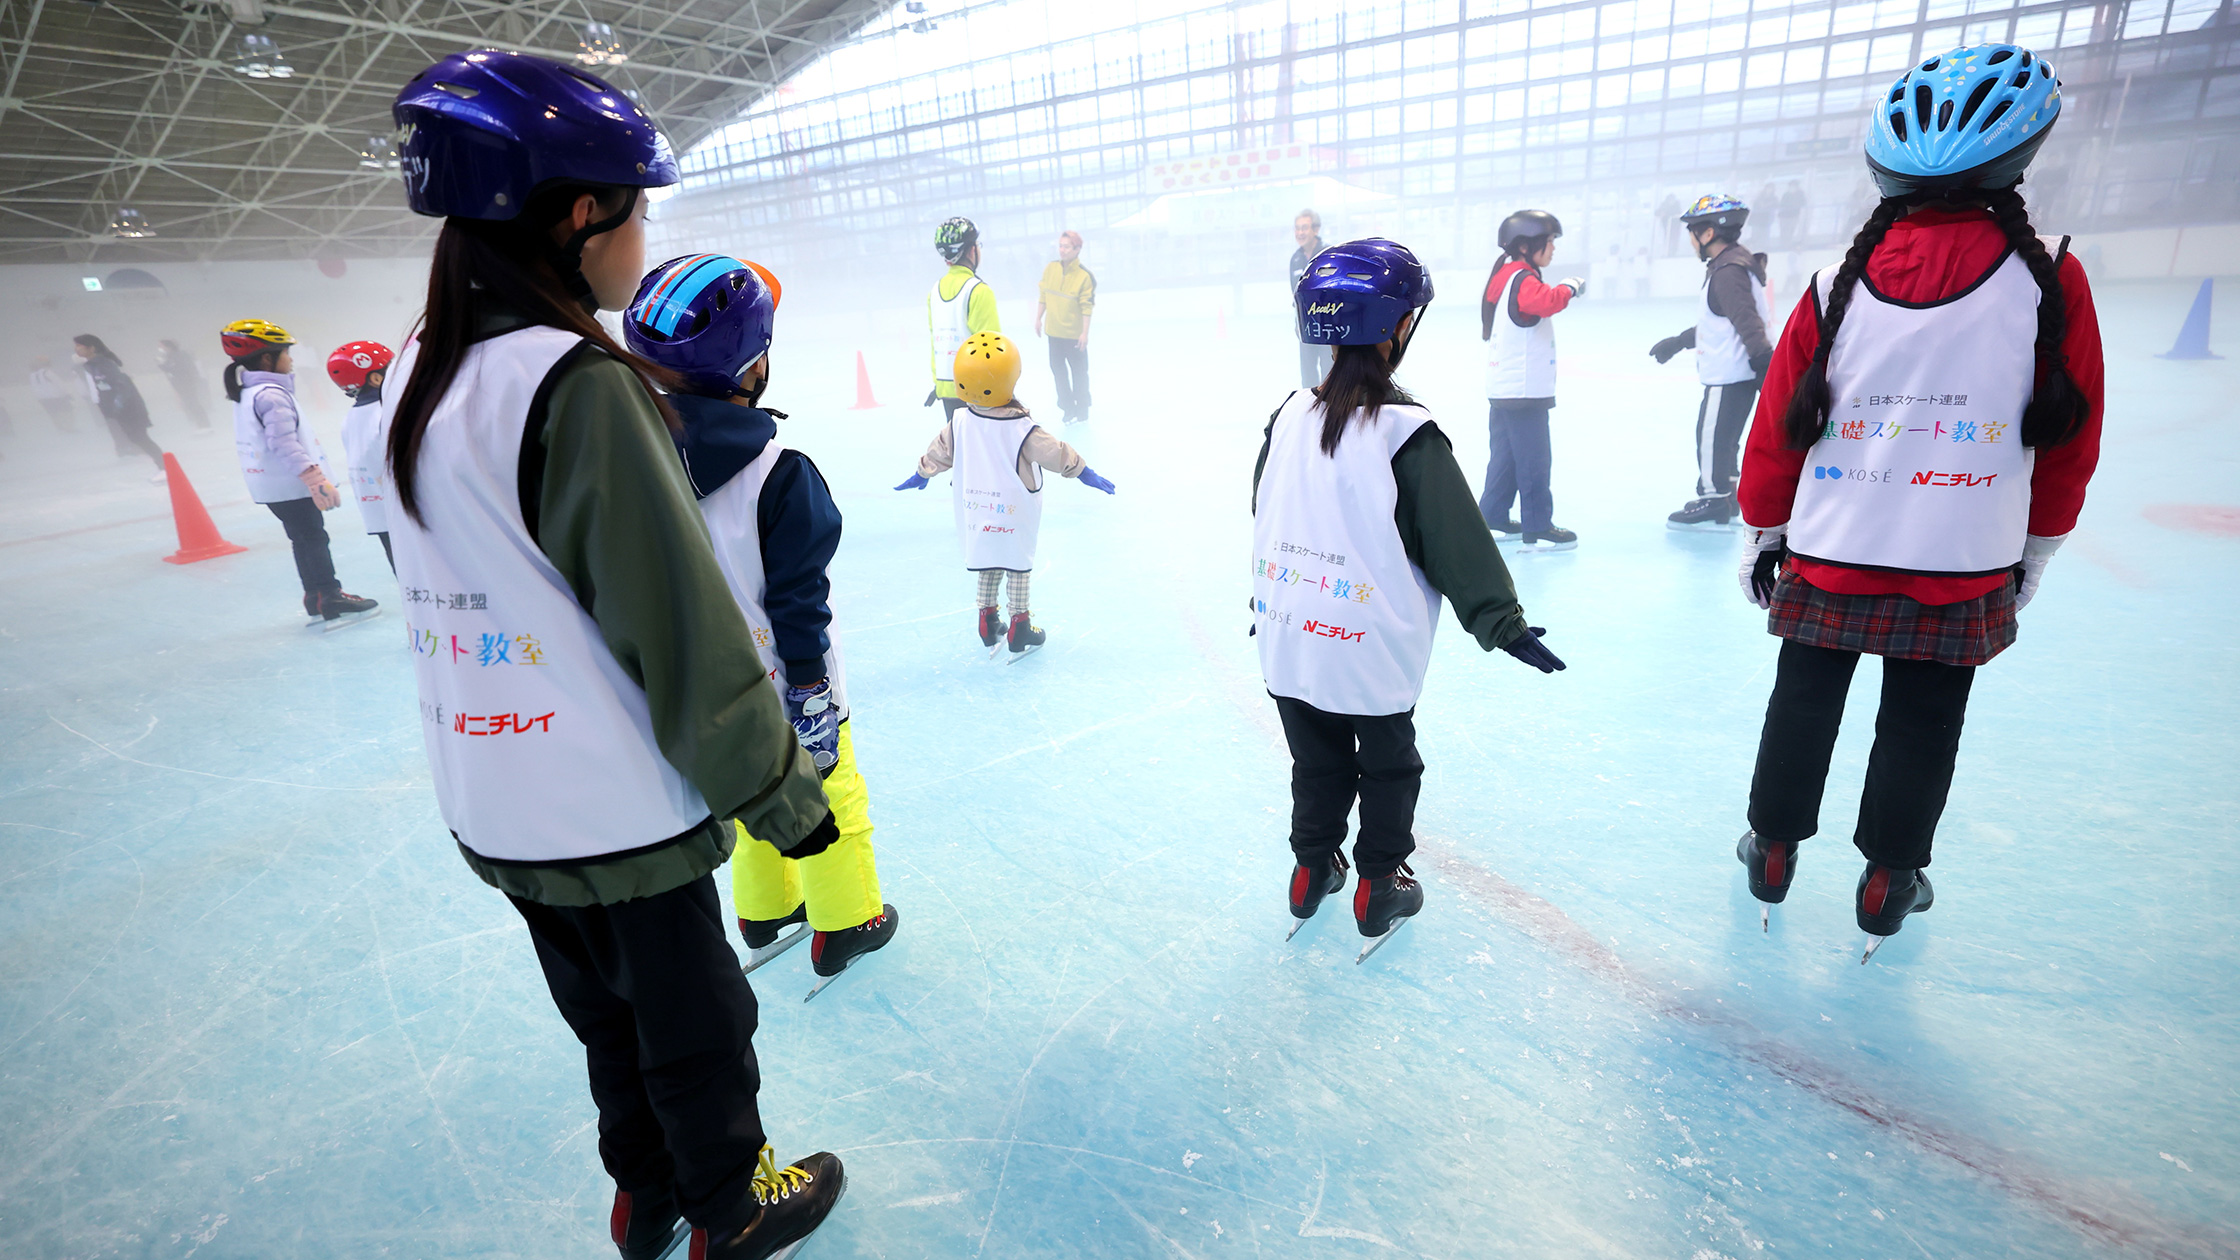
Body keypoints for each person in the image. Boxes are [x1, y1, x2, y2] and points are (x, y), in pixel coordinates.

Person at [387, 51, 848, 1260]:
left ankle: (642, 1195)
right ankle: (730, 1207)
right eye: (637, 206)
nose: (643, 232)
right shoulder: (574, 384)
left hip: (492, 788)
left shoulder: (414, 374)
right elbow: (680, 627)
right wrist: (781, 796)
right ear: (580, 214)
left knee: (603, 1019)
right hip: (605, 801)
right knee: (698, 1022)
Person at [1732, 43, 2102, 960]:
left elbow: (1780, 426)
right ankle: (1889, 879)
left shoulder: (1835, 282)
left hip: (1830, 548)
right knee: (1925, 719)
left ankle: (1773, 850)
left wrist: (1758, 532)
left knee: (1803, 701)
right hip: (1963, 559)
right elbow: (2070, 435)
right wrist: (2039, 554)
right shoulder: (2052, 276)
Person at [1254, 238, 1566, 960]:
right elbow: (1456, 542)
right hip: (1365, 649)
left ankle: (1310, 870)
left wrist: (1273, 598)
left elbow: (1267, 509)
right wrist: (1503, 623)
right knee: (1388, 765)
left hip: (1290, 634)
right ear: (1397, 328)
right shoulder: (1408, 435)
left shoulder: (1287, 414)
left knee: (1316, 761)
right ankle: (1378, 882)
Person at [623, 252, 898, 1001]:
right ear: (753, 368)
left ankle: (764, 909)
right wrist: (810, 693)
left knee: (749, 789)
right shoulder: (780, 474)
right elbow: (799, 602)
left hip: (705, 686)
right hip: (787, 676)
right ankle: (848, 922)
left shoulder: (633, 461)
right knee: (829, 795)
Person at [896, 331, 1115, 655]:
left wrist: (922, 471)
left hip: (976, 506)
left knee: (988, 559)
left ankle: (986, 617)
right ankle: (1020, 625)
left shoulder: (959, 421)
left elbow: (940, 451)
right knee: (1016, 564)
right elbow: (1054, 452)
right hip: (1013, 510)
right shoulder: (1022, 427)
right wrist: (1083, 470)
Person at [222, 319, 379, 623]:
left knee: (303, 538)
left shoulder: (248, 392)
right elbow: (283, 442)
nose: (292, 359)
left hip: (271, 486)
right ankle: (329, 595)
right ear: (267, 359)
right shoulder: (270, 394)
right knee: (313, 537)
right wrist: (314, 479)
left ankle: (315, 595)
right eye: (286, 353)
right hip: (291, 484)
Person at [1649, 195, 1774, 528]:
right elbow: (1719, 322)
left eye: (1692, 231)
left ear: (1708, 234)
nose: (1690, 239)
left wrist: (1764, 362)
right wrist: (1679, 342)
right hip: (1737, 370)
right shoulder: (1731, 265)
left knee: (1711, 437)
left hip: (1730, 373)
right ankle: (1728, 496)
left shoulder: (1727, 272)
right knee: (1726, 437)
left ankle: (1713, 498)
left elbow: (1746, 321)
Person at [1478, 210, 1586, 551]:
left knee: (1506, 457)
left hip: (1504, 386)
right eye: (1549, 241)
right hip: (1523, 389)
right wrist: (1569, 286)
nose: (1553, 248)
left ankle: (1493, 515)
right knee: (1534, 459)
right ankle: (1538, 526)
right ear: (1526, 246)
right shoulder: (1523, 278)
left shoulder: (1506, 274)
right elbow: (1544, 302)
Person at [327, 340, 395, 571]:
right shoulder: (388, 412)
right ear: (376, 379)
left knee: (407, 575)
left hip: (379, 511)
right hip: (405, 513)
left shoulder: (351, 418)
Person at [927, 216, 999, 419]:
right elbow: (991, 351)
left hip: (946, 389)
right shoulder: (978, 291)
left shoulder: (933, 292)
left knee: (960, 448)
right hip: (979, 394)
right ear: (970, 250)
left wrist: (939, 385)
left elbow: (936, 343)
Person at [72, 335, 167, 481]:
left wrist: (117, 406)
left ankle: (164, 467)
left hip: (128, 407)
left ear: (92, 348)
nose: (76, 349)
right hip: (118, 408)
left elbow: (121, 386)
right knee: (136, 438)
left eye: (80, 346)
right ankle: (162, 466)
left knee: (140, 438)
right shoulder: (92, 365)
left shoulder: (103, 363)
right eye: (76, 346)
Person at [1035, 230, 1096, 423]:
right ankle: (1068, 408)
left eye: (1066, 247)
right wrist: (1038, 318)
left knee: (1079, 372)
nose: (1062, 250)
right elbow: (1044, 295)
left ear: (1077, 249)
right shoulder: (1050, 269)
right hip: (1054, 333)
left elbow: (1087, 307)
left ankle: (1082, 408)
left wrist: (1084, 333)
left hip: (1074, 335)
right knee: (1058, 372)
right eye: (1060, 246)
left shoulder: (1084, 276)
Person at [1289, 209, 1331, 388]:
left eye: (1304, 228)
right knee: (1307, 375)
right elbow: (1295, 294)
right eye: (1297, 229)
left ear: (1316, 229)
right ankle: (1310, 411)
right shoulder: (1296, 259)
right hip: (1306, 327)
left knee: (1329, 372)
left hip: (1328, 326)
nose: (1300, 233)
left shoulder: (1327, 255)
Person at [155, 339, 214, 431]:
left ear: (168, 346)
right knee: (189, 405)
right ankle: (200, 425)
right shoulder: (170, 356)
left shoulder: (179, 355)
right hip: (180, 385)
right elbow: (170, 369)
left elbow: (180, 369)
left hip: (187, 383)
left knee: (194, 404)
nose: (160, 349)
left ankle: (205, 425)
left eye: (161, 346)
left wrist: (164, 366)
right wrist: (162, 365)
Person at [28, 356, 80, 432]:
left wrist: (39, 398)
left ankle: (60, 429)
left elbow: (34, 388)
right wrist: (68, 393)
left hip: (43, 399)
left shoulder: (32, 376)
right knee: (67, 411)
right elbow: (59, 383)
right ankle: (69, 428)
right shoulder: (47, 372)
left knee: (54, 414)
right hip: (56, 397)